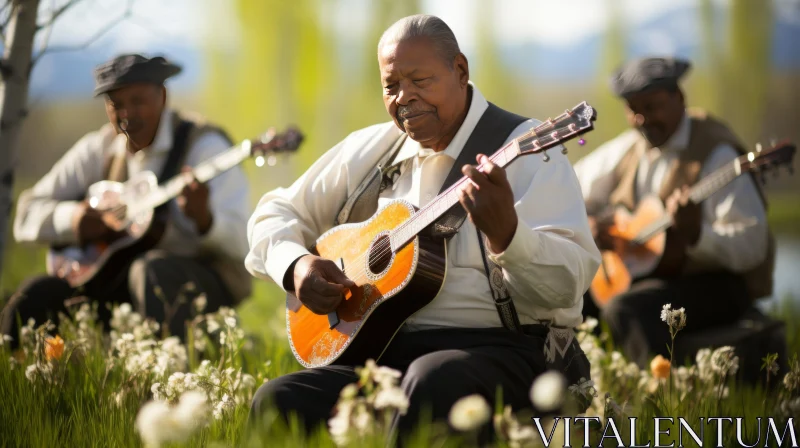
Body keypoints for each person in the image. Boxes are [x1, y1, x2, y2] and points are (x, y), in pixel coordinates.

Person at [245, 15, 600, 442]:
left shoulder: (525, 150)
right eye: (391, 86)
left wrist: (509, 236)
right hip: (386, 352)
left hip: (508, 350)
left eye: (420, 80)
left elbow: (568, 288)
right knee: (279, 399)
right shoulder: (373, 148)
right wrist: (296, 265)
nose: (404, 98)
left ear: (461, 71)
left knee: (433, 382)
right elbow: (275, 210)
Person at [1, 54, 252, 345]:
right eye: (115, 104)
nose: (127, 115)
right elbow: (26, 213)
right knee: (35, 295)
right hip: (112, 288)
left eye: (137, 101)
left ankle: (170, 378)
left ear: (163, 96)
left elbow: (244, 247)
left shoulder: (206, 148)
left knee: (150, 270)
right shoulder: (99, 148)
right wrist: (75, 220)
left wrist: (205, 221)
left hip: (192, 292)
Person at [573, 57, 774, 367]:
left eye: (652, 107)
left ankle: (657, 395)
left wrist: (697, 235)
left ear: (680, 99)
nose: (642, 120)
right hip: (653, 279)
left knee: (624, 309)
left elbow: (751, 247)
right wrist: (588, 225)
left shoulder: (717, 154)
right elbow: (571, 185)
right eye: (633, 110)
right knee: (572, 296)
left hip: (719, 286)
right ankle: (583, 396)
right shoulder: (630, 146)